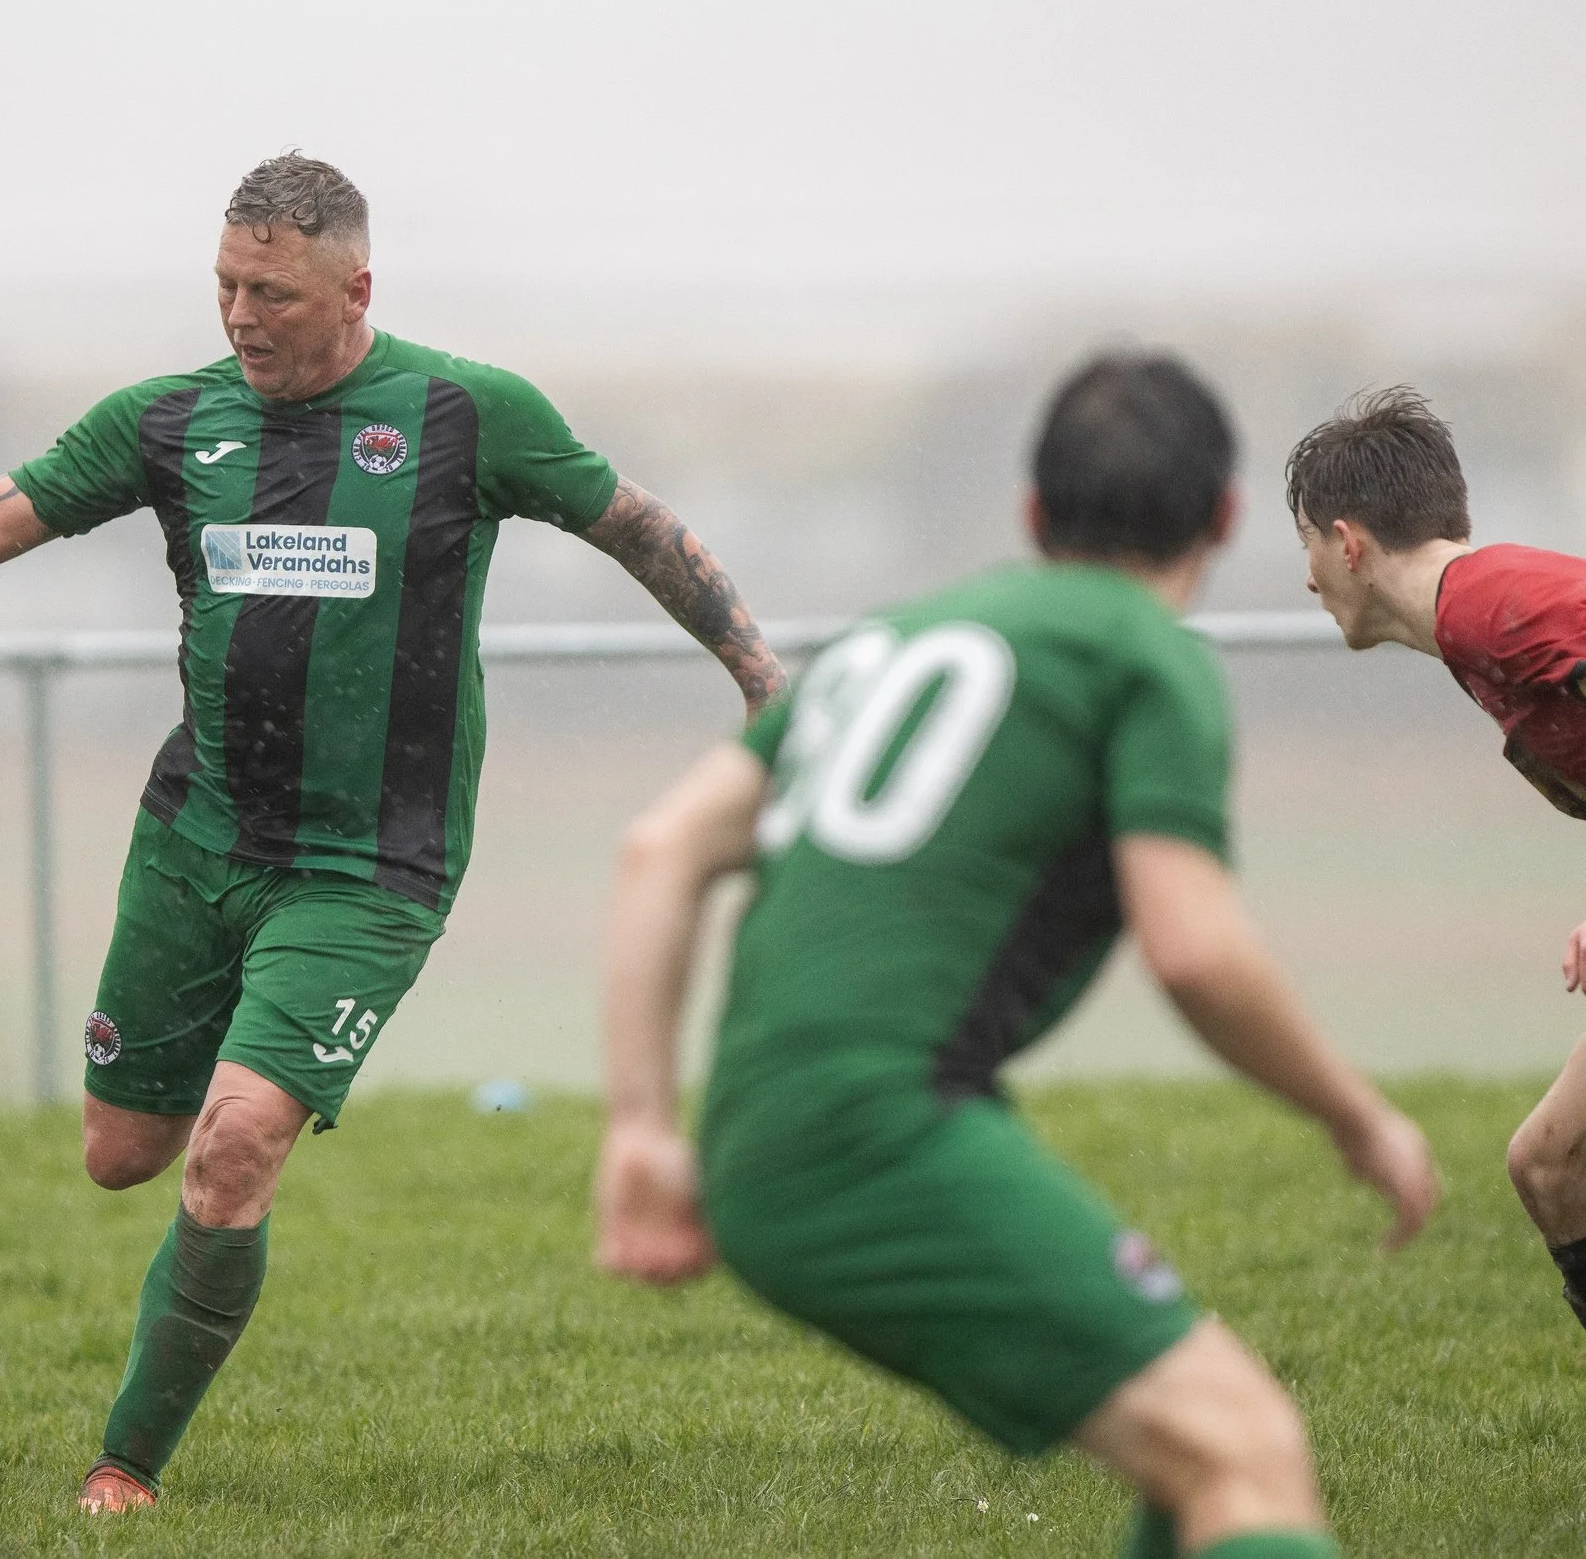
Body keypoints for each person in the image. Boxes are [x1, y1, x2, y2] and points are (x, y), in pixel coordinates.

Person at [0, 154, 787, 1511]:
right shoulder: (173, 420)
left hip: (369, 870)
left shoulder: (466, 414)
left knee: (232, 1147)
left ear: (356, 288)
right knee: (122, 1154)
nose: (240, 315)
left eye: (271, 291)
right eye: (223, 284)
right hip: (196, 837)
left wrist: (759, 677)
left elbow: (637, 525)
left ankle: (125, 1470)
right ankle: (228, 1086)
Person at [593, 353, 1439, 1559]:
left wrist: (638, 1125)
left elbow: (657, 850)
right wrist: (1358, 1117)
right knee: (1245, 1452)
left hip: (759, 1134)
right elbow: (1193, 949)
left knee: (1194, 1453)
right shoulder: (1143, 658)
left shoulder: (896, 636)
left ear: (1035, 514)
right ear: (1225, 518)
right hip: (878, 1135)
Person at [1285, 386, 1586, 1327]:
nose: (1306, 579)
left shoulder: (1499, 607)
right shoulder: (1471, 630)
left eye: (1304, 544)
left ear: (1347, 542)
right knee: (1551, 1164)